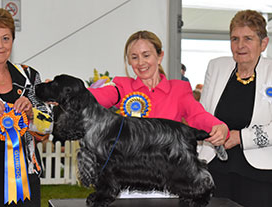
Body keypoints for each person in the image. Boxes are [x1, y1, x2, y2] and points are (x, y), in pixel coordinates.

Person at [89, 30, 228, 158]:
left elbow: (197, 115)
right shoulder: (122, 86)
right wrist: (74, 92)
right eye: (134, 57)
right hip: (132, 172)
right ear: (129, 61)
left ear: (159, 56)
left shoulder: (179, 89)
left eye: (146, 55)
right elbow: (93, 98)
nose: (141, 62)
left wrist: (218, 126)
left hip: (169, 169)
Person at [0, 7, 52, 207]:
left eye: (6, 38)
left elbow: (47, 127)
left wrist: (31, 115)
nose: (0, 46)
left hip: (24, 177)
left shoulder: (29, 77)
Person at [199, 10, 272, 207]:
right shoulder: (217, 66)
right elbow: (203, 114)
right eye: (235, 38)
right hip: (214, 168)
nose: (240, 45)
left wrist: (240, 137)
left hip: (259, 173)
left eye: (248, 38)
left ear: (263, 43)